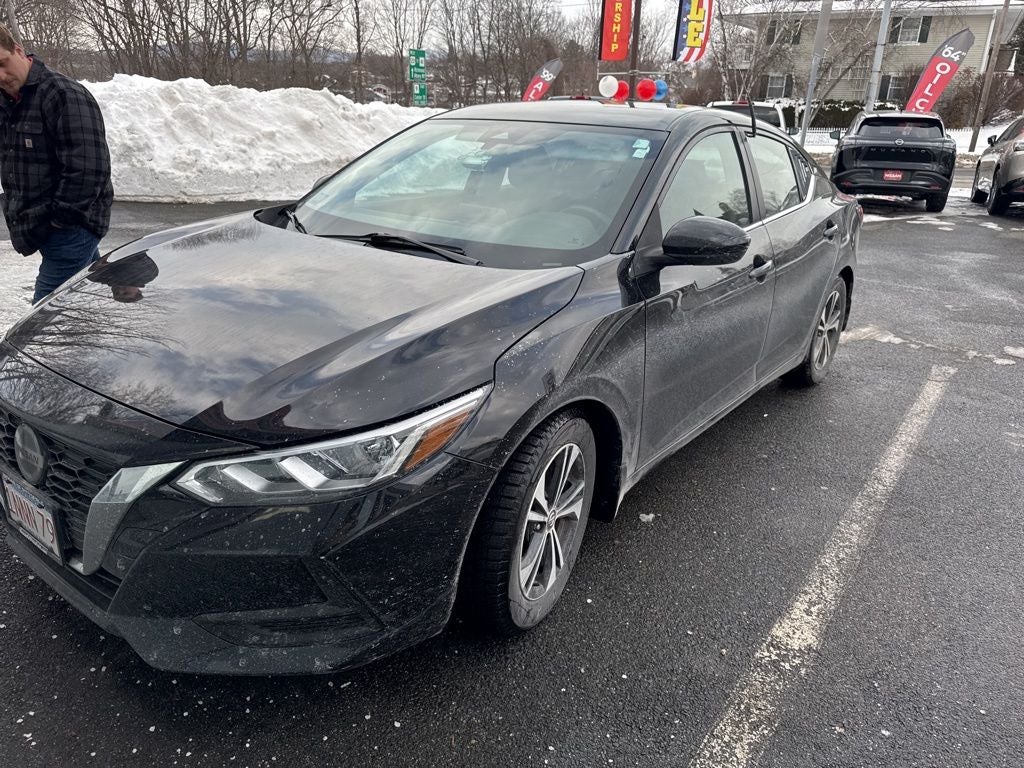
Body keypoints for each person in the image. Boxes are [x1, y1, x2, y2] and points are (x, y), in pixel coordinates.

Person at [0, 25, 113, 303]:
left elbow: (88, 172)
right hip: (41, 225)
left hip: (70, 226)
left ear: (18, 50)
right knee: (84, 281)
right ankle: (123, 287)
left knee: (44, 317)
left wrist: (59, 222)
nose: (0, 77)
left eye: (1, 63)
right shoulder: (8, 101)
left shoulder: (64, 95)